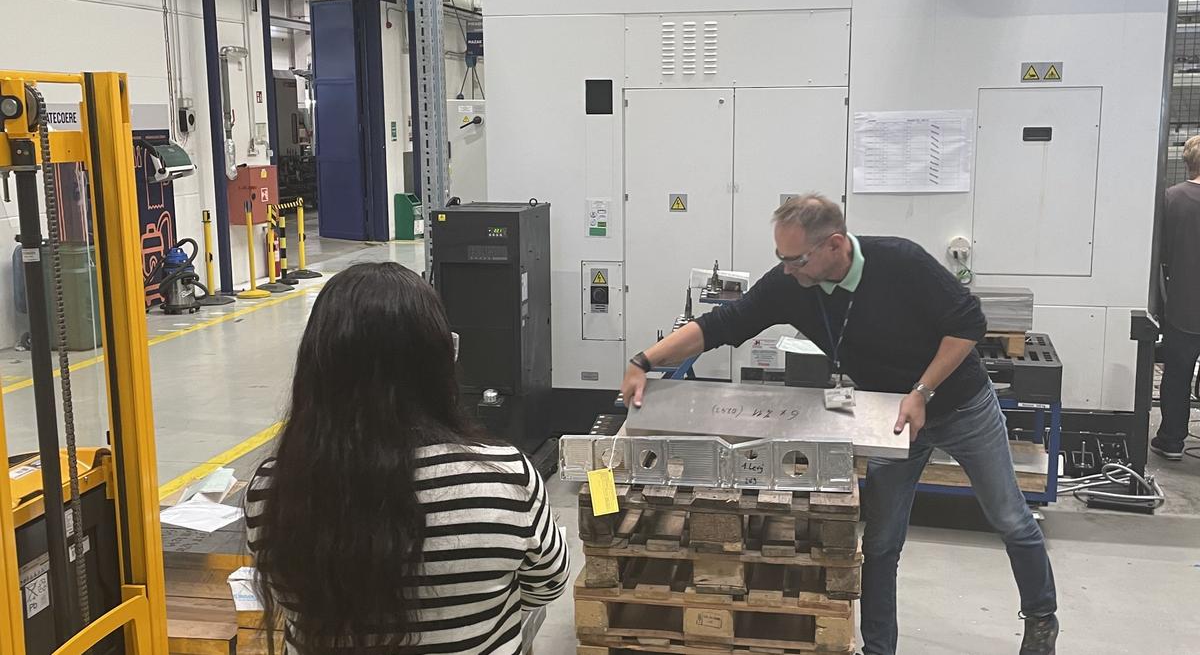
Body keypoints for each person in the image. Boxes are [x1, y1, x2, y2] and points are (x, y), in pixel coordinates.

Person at [620, 195, 1058, 655]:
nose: (787, 268)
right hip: (889, 417)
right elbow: (722, 324)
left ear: (834, 244)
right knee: (882, 543)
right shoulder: (792, 283)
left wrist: (922, 391)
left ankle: (1041, 619)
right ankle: (879, 650)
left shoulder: (900, 262)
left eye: (796, 259)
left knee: (1011, 518)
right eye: (781, 257)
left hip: (961, 405)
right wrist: (643, 361)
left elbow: (968, 324)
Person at [246, 262, 570, 654]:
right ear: (440, 361)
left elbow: (284, 598)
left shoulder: (273, 489)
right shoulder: (505, 479)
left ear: (317, 367)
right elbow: (548, 584)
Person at [1151, 134, 1200, 460]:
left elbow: (1161, 251)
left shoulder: (1171, 199)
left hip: (1184, 306)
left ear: (1187, 162)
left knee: (1177, 376)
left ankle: (1171, 441)